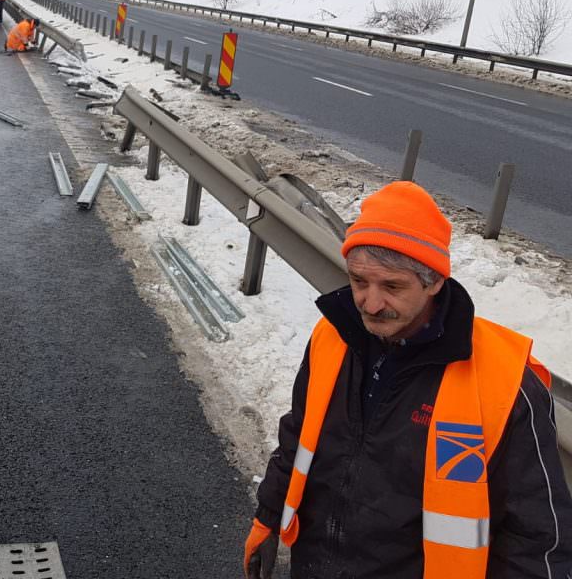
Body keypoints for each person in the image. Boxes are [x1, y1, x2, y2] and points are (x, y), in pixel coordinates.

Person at [244, 181, 572, 579]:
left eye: (392, 286)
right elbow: (298, 436)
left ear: (434, 281)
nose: (370, 302)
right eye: (359, 281)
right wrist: (268, 517)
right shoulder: (331, 338)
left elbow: (536, 538)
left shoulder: (503, 382)